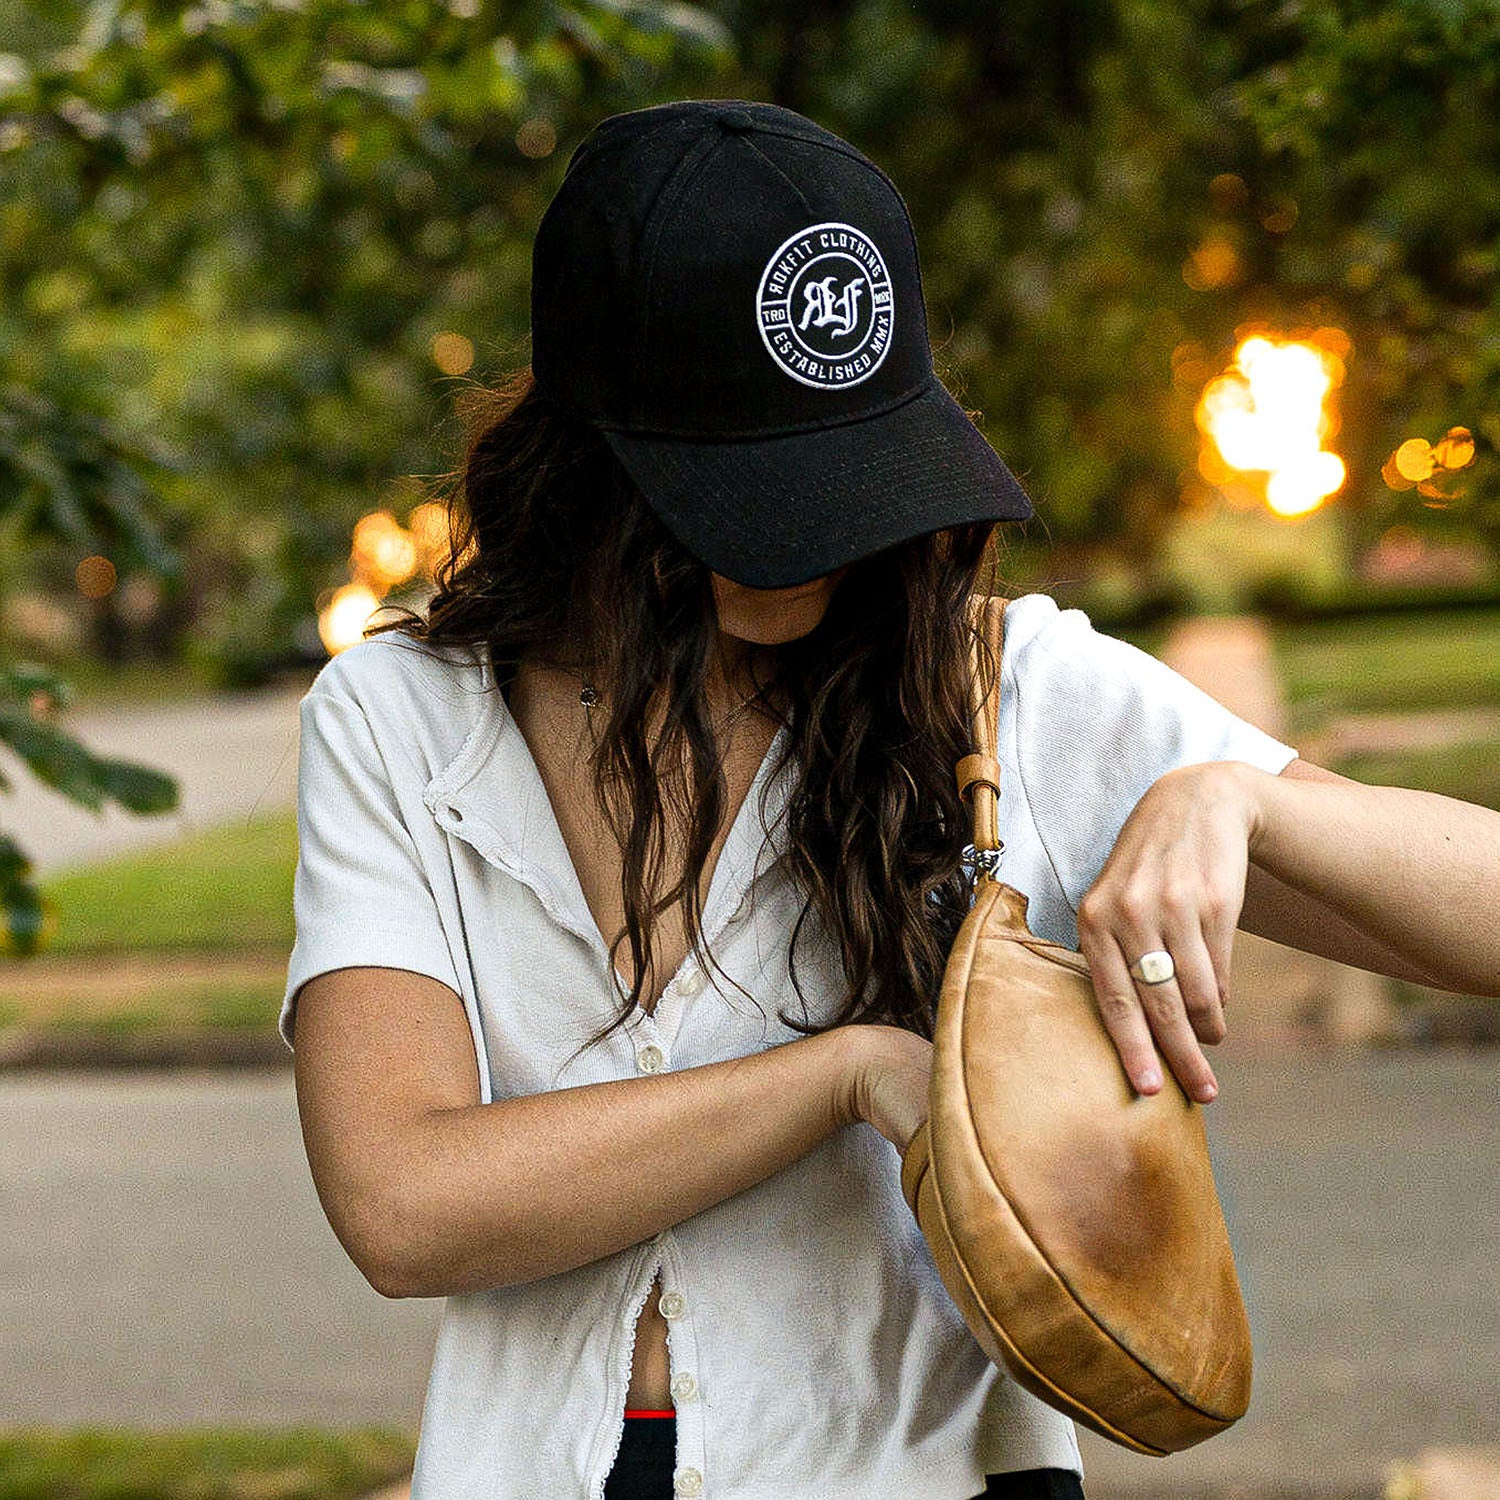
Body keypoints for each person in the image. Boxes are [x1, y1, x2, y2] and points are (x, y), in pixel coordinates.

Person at [280, 99, 1500, 1500]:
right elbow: (405, 1206)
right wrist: (850, 1074)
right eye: (766, 485)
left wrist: (1246, 802)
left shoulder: (1002, 685)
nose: (837, 538)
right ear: (593, 457)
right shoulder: (400, 724)